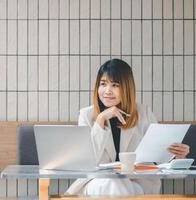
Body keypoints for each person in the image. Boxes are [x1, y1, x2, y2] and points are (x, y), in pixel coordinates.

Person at [65, 58, 190, 196]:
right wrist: (100, 120)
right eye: (103, 84)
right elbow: (86, 163)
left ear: (127, 87)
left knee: (119, 184)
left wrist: (177, 157)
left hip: (136, 182)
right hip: (96, 182)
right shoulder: (87, 115)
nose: (107, 91)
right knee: (114, 183)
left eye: (115, 85)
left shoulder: (143, 113)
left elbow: (160, 162)